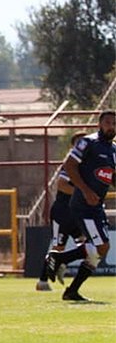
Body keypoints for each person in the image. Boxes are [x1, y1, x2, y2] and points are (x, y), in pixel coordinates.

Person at [45, 110, 115, 301]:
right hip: (83, 204)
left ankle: (71, 289)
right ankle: (60, 260)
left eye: (114, 124)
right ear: (100, 124)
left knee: (99, 250)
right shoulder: (88, 142)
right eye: (108, 122)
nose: (111, 126)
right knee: (101, 247)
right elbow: (69, 165)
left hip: (96, 205)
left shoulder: (113, 150)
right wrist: (84, 190)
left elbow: (112, 177)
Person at [35, 132, 86, 291]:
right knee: (58, 247)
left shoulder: (87, 165)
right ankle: (42, 282)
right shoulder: (70, 164)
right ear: (73, 147)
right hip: (62, 212)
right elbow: (62, 185)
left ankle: (62, 261)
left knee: (89, 245)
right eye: (78, 143)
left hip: (77, 213)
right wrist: (84, 192)